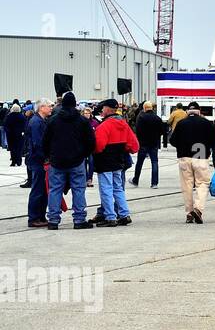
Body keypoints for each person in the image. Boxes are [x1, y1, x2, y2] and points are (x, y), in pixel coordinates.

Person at [43, 92, 96, 231]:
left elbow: (45, 141)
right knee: (79, 190)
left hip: (57, 161)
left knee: (55, 190)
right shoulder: (82, 121)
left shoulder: (53, 121)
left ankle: (53, 220)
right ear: (74, 104)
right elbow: (91, 141)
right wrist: (84, 154)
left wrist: (50, 155)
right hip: (77, 161)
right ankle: (79, 220)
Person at [92, 98, 139, 227]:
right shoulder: (124, 124)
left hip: (105, 162)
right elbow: (134, 146)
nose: (101, 112)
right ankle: (124, 215)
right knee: (118, 189)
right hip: (118, 162)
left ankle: (110, 217)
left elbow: (99, 146)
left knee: (106, 189)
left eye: (102, 109)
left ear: (107, 109)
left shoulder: (104, 126)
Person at [170, 101, 215, 224]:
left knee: (187, 186)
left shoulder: (181, 123)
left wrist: (182, 146)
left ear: (188, 111)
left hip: (184, 156)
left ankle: (189, 213)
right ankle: (198, 208)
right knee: (202, 183)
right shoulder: (206, 123)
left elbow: (172, 140)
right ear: (199, 111)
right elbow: (214, 140)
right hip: (200, 154)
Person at [25, 99, 52, 227]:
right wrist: (46, 158)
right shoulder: (36, 122)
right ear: (41, 107)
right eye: (49, 106)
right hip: (38, 160)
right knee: (38, 189)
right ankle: (34, 217)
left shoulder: (41, 121)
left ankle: (40, 216)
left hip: (40, 159)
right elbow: (38, 143)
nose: (51, 108)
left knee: (43, 189)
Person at [131, 101, 165, 188]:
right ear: (152, 108)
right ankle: (154, 183)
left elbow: (137, 130)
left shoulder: (141, 117)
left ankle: (136, 180)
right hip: (154, 143)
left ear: (144, 108)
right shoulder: (157, 118)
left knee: (140, 162)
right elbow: (162, 130)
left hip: (143, 143)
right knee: (154, 162)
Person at [4, 103, 26, 167]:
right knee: (19, 148)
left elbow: (6, 125)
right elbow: (25, 125)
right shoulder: (22, 116)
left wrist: (8, 132)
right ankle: (19, 161)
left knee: (12, 149)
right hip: (20, 135)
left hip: (11, 135)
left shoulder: (9, 116)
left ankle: (13, 161)